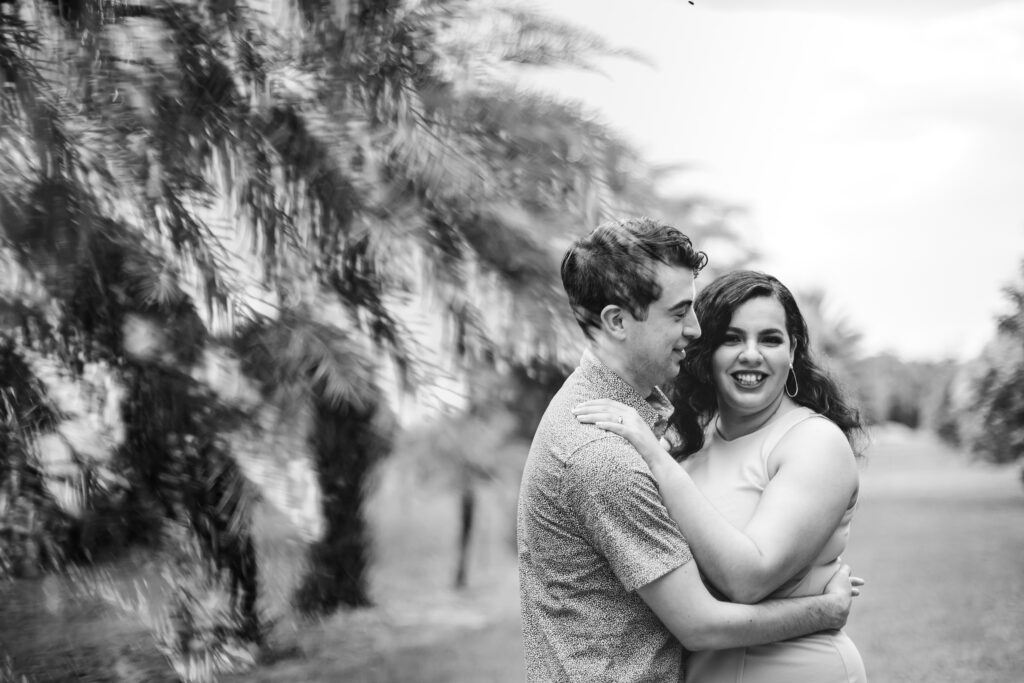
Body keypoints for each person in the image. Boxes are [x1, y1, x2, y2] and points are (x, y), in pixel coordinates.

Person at [518, 219, 859, 683]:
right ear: (617, 322)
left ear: (794, 348)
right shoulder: (608, 449)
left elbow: (745, 572)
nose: (696, 330)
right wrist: (825, 608)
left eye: (771, 338)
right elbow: (700, 622)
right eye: (680, 313)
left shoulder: (647, 431)